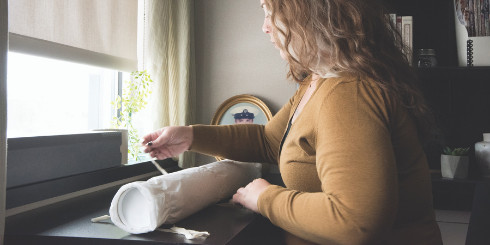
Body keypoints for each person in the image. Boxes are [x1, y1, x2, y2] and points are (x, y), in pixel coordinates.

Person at [142, 0, 443, 244]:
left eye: (271, 11)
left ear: (310, 12)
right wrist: (191, 136)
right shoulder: (318, 83)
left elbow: (356, 223)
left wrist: (265, 198)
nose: (265, 27)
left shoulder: (347, 94)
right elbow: (271, 141)